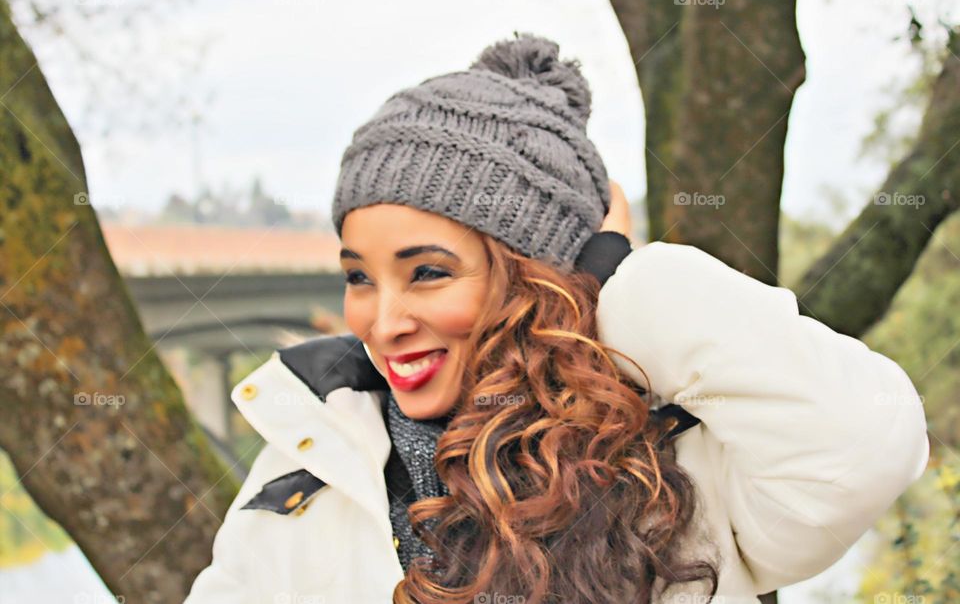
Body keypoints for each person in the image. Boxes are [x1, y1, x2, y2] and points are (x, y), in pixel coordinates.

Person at [183, 33, 929, 604]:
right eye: (358, 276)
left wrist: (623, 283)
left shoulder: (674, 454)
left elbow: (867, 440)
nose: (383, 321)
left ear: (533, 273)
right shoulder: (313, 457)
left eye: (428, 272)